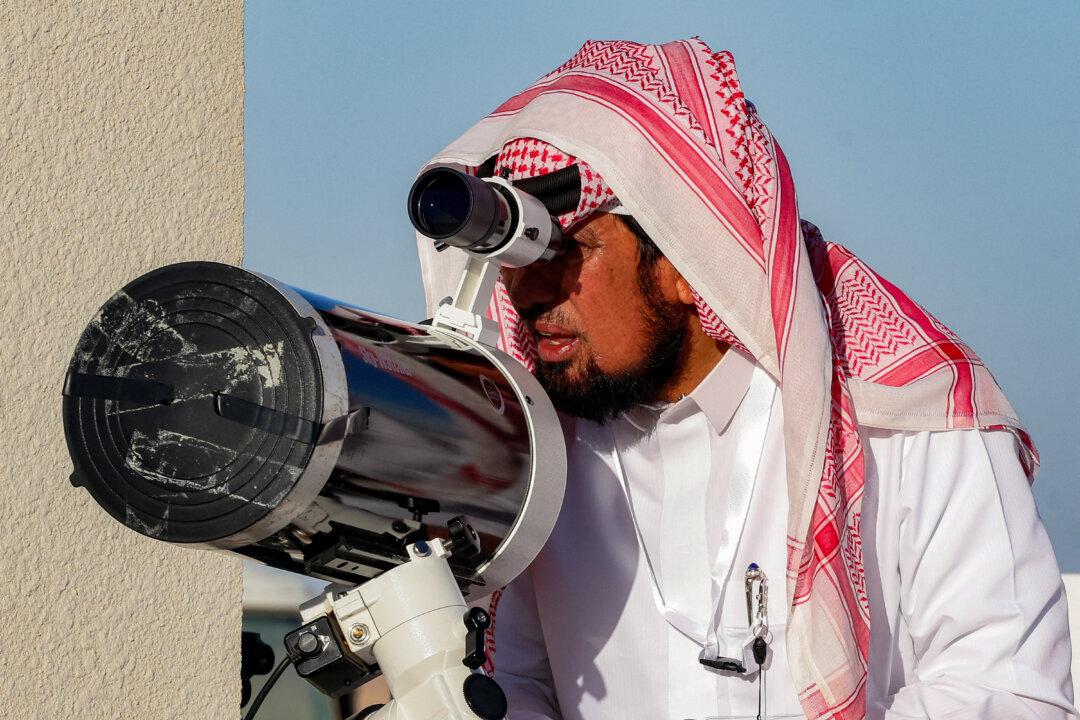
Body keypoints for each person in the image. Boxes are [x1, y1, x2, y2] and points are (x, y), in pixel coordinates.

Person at [414, 38, 1076, 720]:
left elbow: (1011, 692)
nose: (524, 290)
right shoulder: (541, 451)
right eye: (513, 255)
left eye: (564, 249)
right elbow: (517, 684)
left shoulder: (910, 417)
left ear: (687, 257)